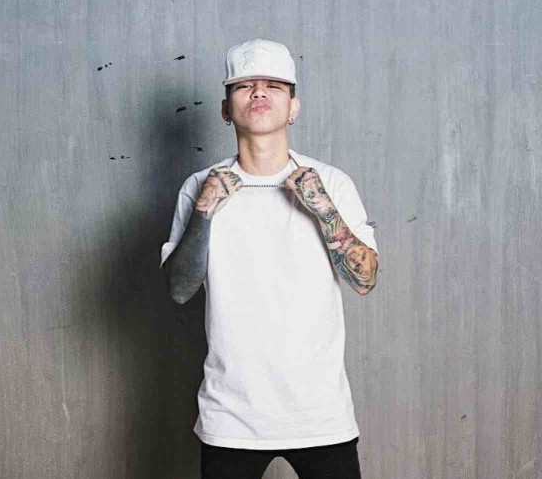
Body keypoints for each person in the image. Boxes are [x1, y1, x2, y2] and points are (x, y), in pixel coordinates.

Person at [160, 38, 379, 479]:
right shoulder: (200, 186)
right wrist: (204, 212)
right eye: (244, 86)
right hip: (231, 416)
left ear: (293, 107)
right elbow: (179, 290)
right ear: (226, 109)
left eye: (273, 85)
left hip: (320, 413)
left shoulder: (331, 182)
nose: (259, 92)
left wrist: (323, 208)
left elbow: (365, 279)